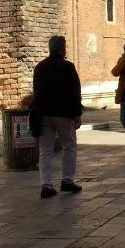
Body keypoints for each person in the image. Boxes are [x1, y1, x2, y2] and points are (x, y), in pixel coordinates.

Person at [33, 35, 83, 199]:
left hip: (44, 114)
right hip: (64, 114)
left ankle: (46, 184)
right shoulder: (68, 67)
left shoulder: (40, 67)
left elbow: (36, 92)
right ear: (63, 49)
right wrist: (77, 114)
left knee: (45, 150)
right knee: (69, 146)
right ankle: (67, 180)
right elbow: (75, 92)